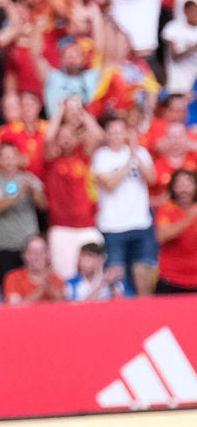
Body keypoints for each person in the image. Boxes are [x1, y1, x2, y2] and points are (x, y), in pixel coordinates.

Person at [92, 117, 158, 296]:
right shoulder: (101, 156)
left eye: (120, 131)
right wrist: (129, 160)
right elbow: (110, 184)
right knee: (116, 277)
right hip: (113, 226)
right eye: (112, 132)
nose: (117, 136)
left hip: (141, 223)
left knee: (142, 272)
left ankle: (147, 315)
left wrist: (135, 152)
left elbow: (152, 179)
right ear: (106, 134)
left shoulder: (140, 152)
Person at [0, 142, 47, 285]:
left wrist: (35, 192)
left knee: (32, 284)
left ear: (19, 158)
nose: (8, 160)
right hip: (2, 245)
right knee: (7, 286)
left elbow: (43, 205)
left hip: (28, 245)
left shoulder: (29, 178)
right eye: (4, 157)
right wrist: (19, 195)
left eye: (12, 156)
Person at [155, 169, 197, 296]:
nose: (184, 188)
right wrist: (189, 218)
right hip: (171, 279)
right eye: (179, 184)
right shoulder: (166, 210)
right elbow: (161, 236)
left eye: (188, 183)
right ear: (172, 188)